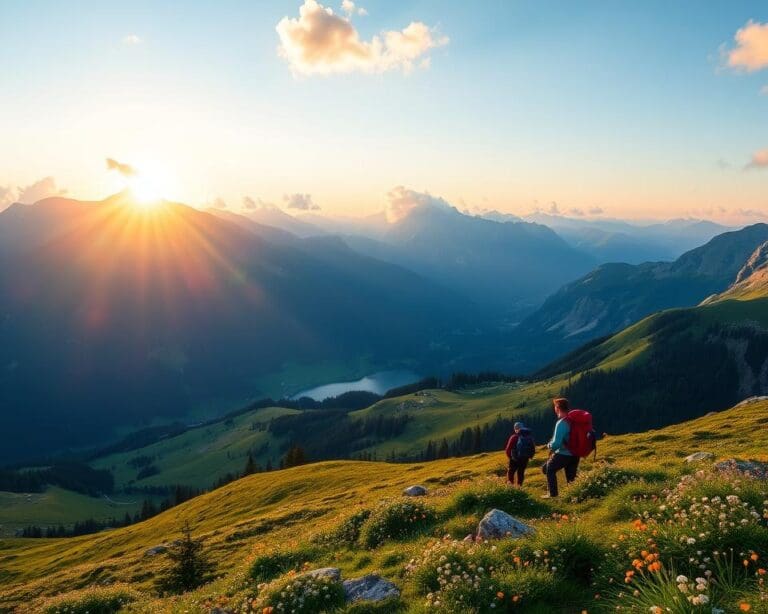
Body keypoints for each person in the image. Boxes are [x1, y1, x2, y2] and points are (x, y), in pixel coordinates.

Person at [542, 397, 579, 498]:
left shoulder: (562, 422)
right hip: (576, 453)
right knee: (571, 476)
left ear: (557, 408)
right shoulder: (574, 420)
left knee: (549, 469)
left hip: (564, 453)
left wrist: (549, 445)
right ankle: (574, 496)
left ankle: (552, 494)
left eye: (555, 407)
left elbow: (557, 444)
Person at [504, 421, 535, 487]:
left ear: (515, 429)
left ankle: (510, 487)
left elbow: (508, 449)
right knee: (521, 472)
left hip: (515, 458)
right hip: (524, 458)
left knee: (511, 472)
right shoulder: (528, 437)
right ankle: (519, 486)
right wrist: (529, 456)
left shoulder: (514, 437)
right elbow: (532, 448)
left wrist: (511, 457)